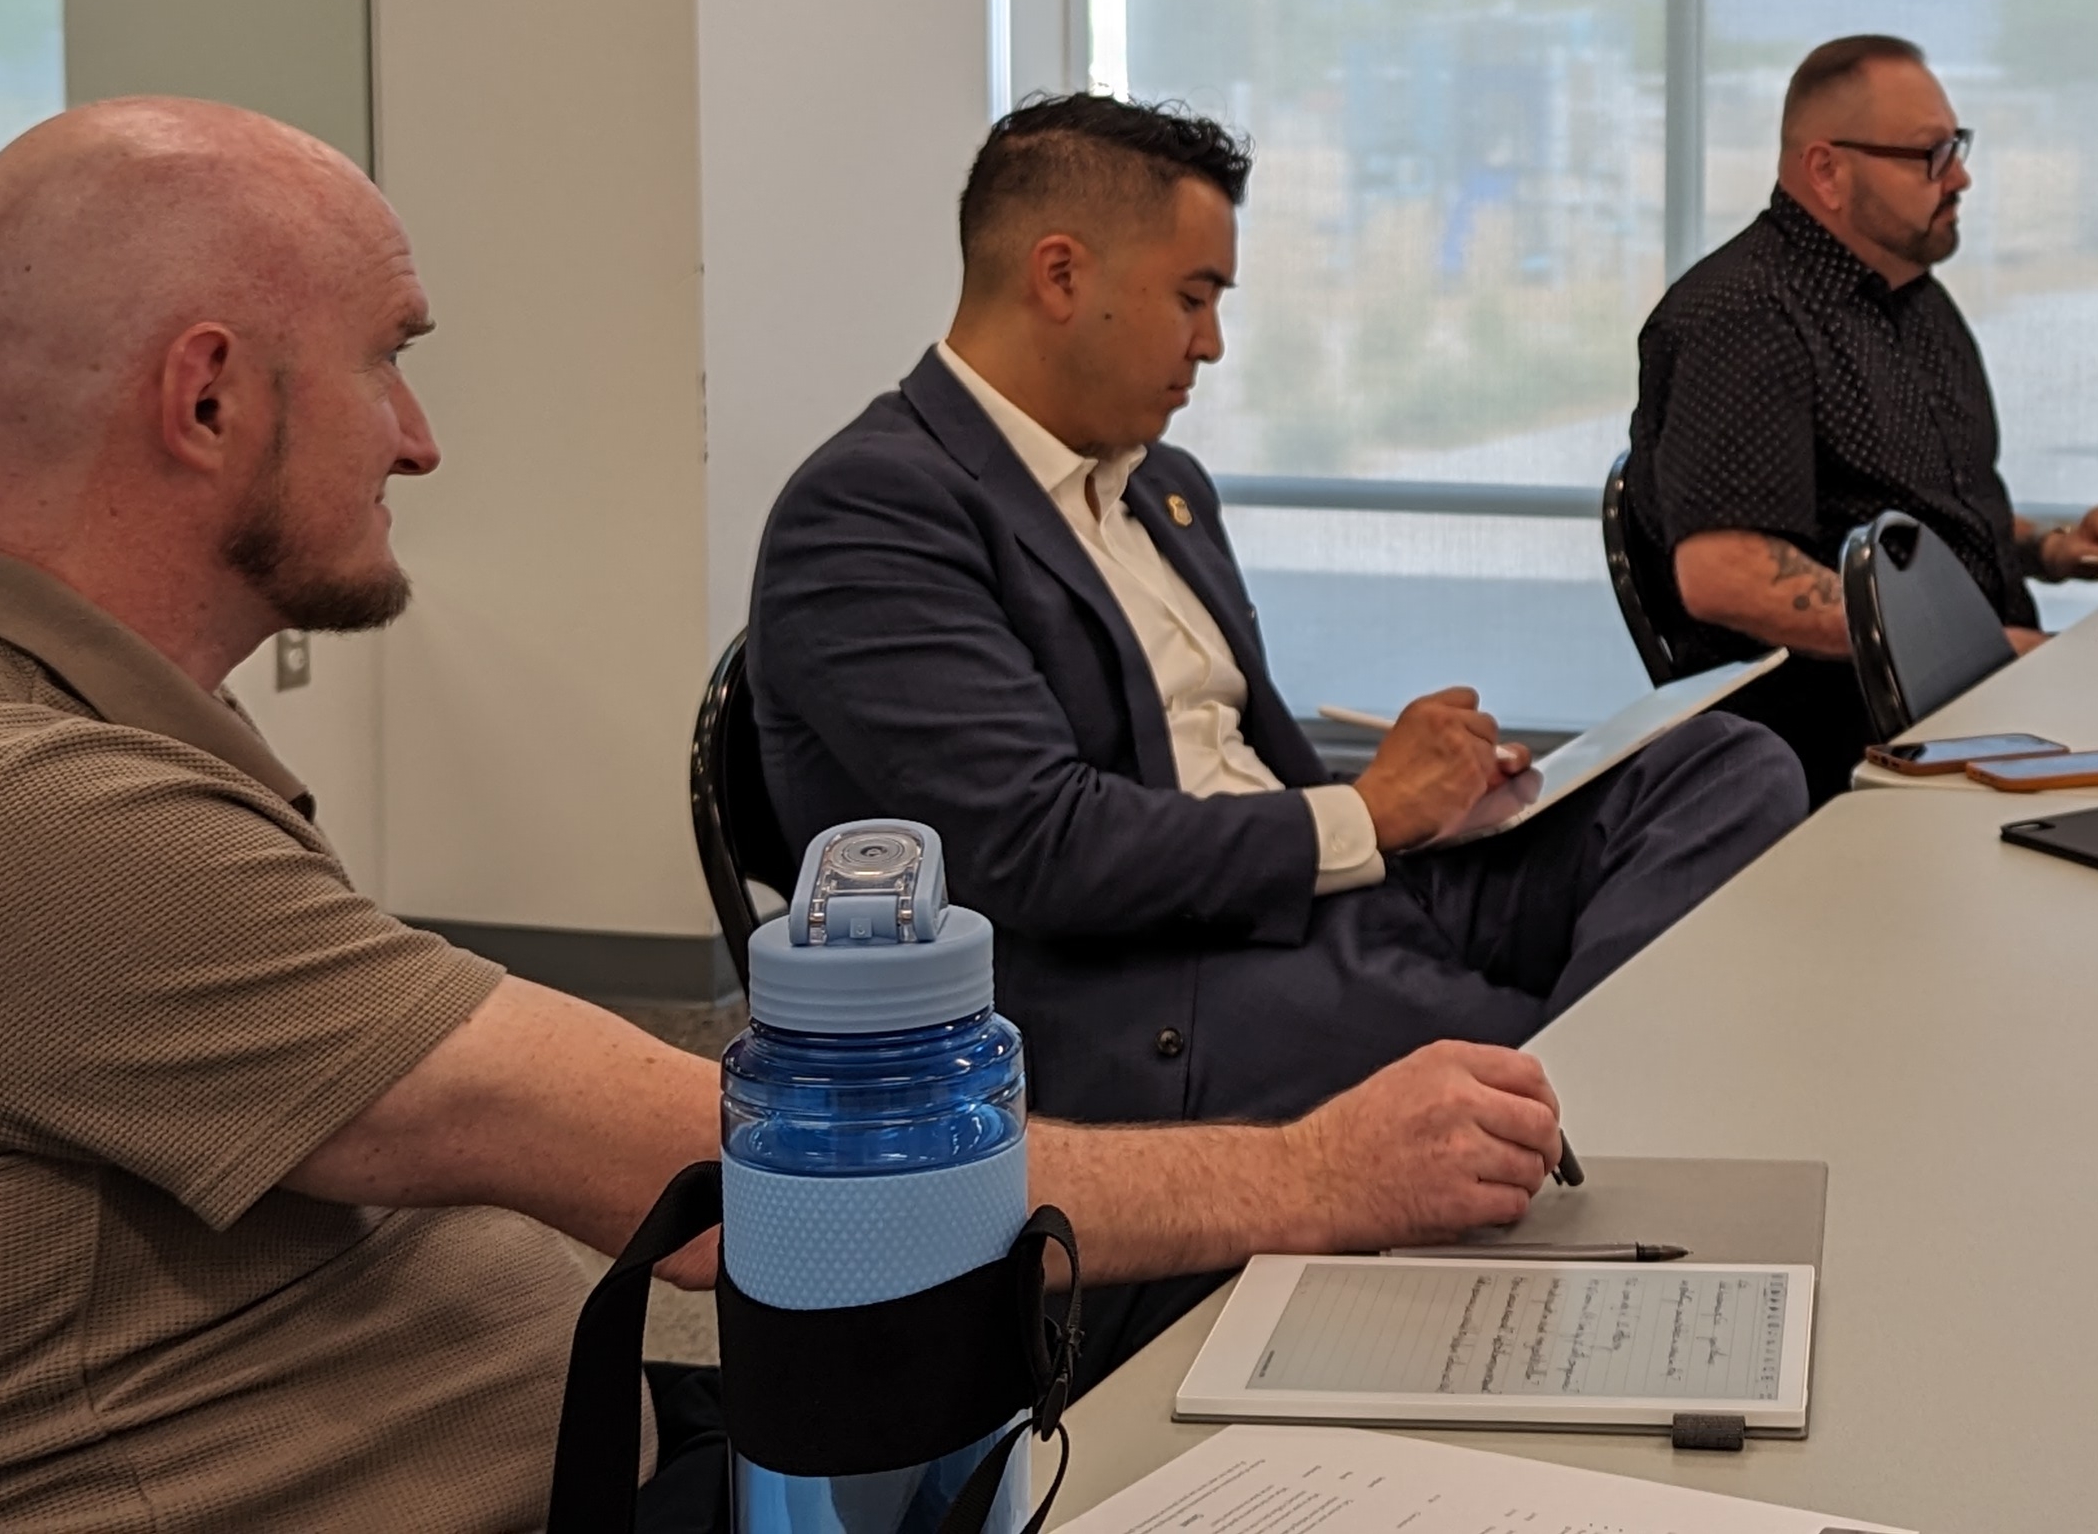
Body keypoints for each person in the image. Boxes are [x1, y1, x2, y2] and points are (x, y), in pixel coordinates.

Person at [0, 99, 1580, 1534]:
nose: (419, 437)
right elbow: (752, 1189)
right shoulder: (25, 817)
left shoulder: (39, 741)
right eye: (389, 357)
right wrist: (1318, 1176)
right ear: (205, 399)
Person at [750, 94, 1805, 1134]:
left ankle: (1568, 1099)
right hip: (1161, 984)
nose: (1210, 344)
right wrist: (1367, 815)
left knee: (1729, 764)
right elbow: (1043, 848)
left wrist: (1424, 796)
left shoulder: (1162, 485)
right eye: (1193, 297)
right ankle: (1568, 1111)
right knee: (1533, 1063)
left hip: (1314, 892)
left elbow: (1241, 760)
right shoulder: (873, 509)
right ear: (1061, 275)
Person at [1626, 35, 2098, 801]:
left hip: (1975, 704)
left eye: (1957, 147)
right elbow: (1726, 574)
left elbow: (1909, 515)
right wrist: (1958, 647)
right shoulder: (1745, 318)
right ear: (1827, 170)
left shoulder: (1907, 297)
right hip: (1862, 744)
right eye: (1930, 155)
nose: (1961, 176)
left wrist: (2054, 547)